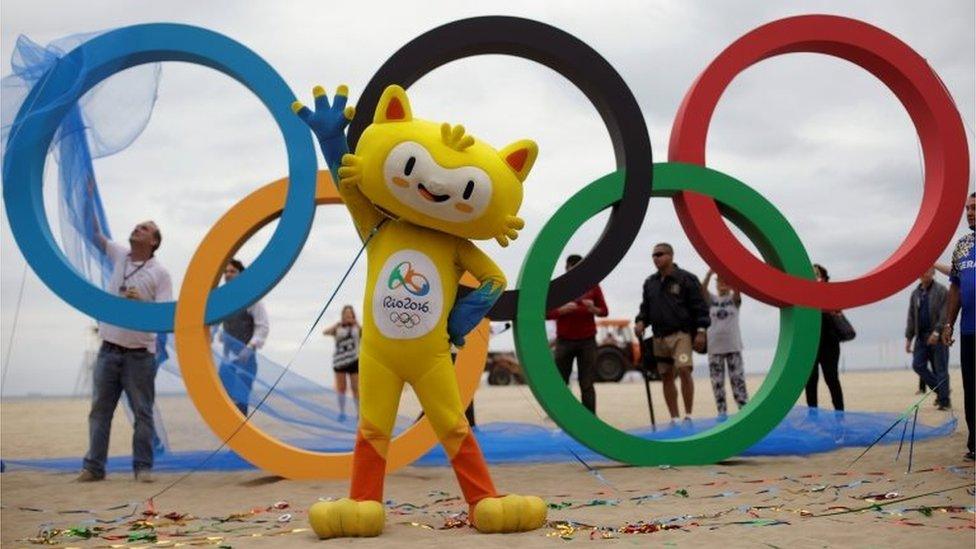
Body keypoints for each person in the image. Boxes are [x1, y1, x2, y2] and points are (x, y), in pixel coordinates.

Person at [77, 203, 172, 483]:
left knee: (143, 413)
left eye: (145, 228)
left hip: (140, 355)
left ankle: (142, 468)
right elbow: (93, 234)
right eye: (137, 226)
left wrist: (141, 304)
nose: (137, 229)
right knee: (100, 411)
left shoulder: (160, 273)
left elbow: (165, 314)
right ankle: (94, 468)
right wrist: (86, 194)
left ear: (153, 241)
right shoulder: (120, 254)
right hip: (108, 348)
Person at [634, 243, 710, 424]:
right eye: (653, 255)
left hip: (681, 335)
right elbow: (645, 308)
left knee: (684, 369)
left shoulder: (687, 279)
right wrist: (640, 321)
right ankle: (674, 417)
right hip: (659, 336)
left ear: (671, 255)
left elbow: (700, 307)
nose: (655, 258)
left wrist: (701, 331)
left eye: (659, 254)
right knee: (666, 375)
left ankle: (688, 415)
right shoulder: (650, 283)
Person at [546, 254, 609, 414]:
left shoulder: (593, 286)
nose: (575, 272)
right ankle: (563, 417)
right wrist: (561, 310)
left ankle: (590, 419)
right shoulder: (559, 287)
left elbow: (604, 311)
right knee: (560, 383)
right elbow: (545, 313)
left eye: (578, 269)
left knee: (586, 383)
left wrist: (593, 309)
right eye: (572, 269)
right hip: (564, 340)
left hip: (587, 341)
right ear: (566, 269)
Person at [942, 192, 975, 461]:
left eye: (974, 208)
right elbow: (955, 288)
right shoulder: (962, 246)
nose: (970, 213)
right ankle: (974, 442)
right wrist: (948, 324)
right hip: (968, 330)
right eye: (968, 208)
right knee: (971, 388)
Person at [217, 259, 269, 416]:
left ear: (241, 275)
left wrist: (250, 347)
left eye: (232, 271)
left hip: (246, 360)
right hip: (227, 360)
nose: (228, 275)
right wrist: (221, 335)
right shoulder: (222, 300)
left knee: (240, 402)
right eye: (225, 272)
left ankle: (240, 438)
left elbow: (263, 327)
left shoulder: (252, 299)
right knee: (223, 401)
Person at [701, 268, 748, 419]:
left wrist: (731, 276)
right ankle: (721, 411)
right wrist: (709, 274)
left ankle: (743, 408)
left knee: (737, 380)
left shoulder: (734, 300)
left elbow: (738, 291)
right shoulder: (712, 300)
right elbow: (702, 290)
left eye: (725, 282)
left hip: (733, 347)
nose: (722, 284)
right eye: (720, 281)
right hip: (714, 348)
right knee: (717, 382)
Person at [905, 267, 949, 409]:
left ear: (933, 272)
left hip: (938, 337)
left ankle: (944, 401)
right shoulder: (915, 294)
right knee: (917, 365)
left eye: (928, 270)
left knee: (940, 369)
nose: (924, 273)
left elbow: (945, 313)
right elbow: (911, 317)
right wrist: (908, 338)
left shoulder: (942, 290)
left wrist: (937, 332)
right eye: (922, 270)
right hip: (921, 337)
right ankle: (941, 391)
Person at [805, 264, 845, 411]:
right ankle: (812, 414)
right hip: (810, 343)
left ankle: (840, 413)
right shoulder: (804, 294)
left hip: (830, 342)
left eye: (816, 273)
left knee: (831, 378)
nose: (814, 276)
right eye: (811, 273)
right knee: (810, 380)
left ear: (823, 275)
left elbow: (838, 309)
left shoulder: (829, 291)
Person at [324, 305, 361, 422]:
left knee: (355, 388)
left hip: (354, 360)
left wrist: (356, 323)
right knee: (341, 388)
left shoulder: (357, 327)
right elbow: (325, 332)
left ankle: (359, 413)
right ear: (343, 315)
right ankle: (342, 412)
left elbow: (366, 334)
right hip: (340, 361)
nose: (348, 315)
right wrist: (337, 325)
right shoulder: (338, 327)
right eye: (346, 313)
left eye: (350, 313)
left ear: (353, 315)